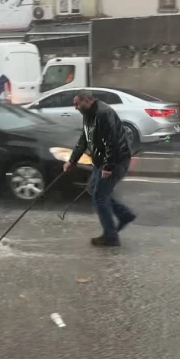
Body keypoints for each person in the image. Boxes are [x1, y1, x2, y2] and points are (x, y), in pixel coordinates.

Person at [64, 90, 135, 247]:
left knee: (100, 197)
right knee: (94, 190)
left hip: (114, 162)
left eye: (77, 104)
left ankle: (111, 237)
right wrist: (72, 160)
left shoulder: (103, 113)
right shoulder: (89, 113)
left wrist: (108, 166)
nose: (75, 107)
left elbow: (112, 142)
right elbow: (85, 138)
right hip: (100, 161)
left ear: (88, 101)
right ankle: (125, 215)